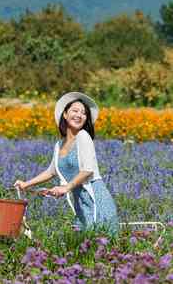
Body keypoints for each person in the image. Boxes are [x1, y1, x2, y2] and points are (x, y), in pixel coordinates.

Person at [14, 92, 119, 235]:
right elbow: (51, 171)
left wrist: (66, 188)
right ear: (65, 114)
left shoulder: (83, 136)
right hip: (80, 203)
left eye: (83, 113)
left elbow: (88, 170)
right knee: (84, 247)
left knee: (100, 246)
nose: (79, 115)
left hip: (96, 201)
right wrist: (26, 184)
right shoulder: (59, 144)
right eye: (75, 111)